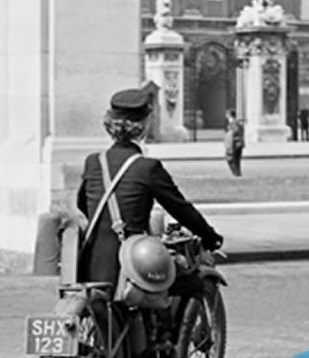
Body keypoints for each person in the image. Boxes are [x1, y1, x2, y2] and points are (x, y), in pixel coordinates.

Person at [77, 88, 224, 287]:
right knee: (190, 284)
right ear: (143, 126)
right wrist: (209, 236)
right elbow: (179, 208)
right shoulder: (147, 168)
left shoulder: (93, 162)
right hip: (131, 264)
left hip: (90, 262)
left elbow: (83, 204)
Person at [222, 110, 244, 177]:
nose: (226, 116)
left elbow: (235, 131)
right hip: (238, 143)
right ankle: (238, 174)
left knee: (231, 160)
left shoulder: (233, 122)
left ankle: (236, 174)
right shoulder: (237, 122)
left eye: (227, 114)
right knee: (236, 161)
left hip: (234, 144)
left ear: (229, 115)